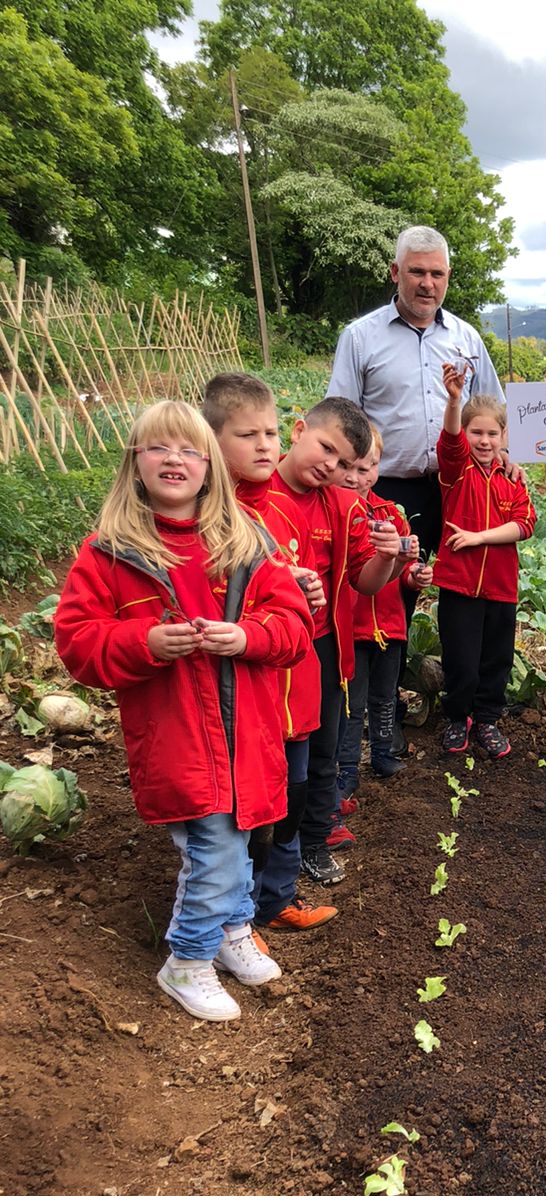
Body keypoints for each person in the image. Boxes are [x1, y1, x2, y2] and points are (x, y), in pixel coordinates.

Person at [54, 400, 313, 1022]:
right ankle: (188, 959)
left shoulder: (244, 541)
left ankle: (232, 932)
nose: (174, 459)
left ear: (209, 467)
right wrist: (143, 642)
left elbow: (294, 626)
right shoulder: (109, 553)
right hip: (177, 736)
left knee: (242, 832)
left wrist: (247, 636)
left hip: (246, 729)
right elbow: (77, 641)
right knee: (216, 850)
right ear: (134, 463)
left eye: (189, 450)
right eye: (158, 448)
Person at [328, 225, 503, 751]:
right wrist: (348, 488)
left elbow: (489, 407)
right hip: (387, 491)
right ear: (395, 274)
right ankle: (379, 710)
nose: (427, 284)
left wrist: (506, 461)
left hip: (455, 491)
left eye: (437, 274)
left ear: (447, 277)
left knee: (461, 597)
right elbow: (342, 417)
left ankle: (459, 704)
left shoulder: (466, 338)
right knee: (384, 597)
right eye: (417, 272)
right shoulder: (361, 336)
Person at [202, 371, 337, 935]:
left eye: (271, 432)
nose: (264, 446)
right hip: (244, 696)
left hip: (295, 688)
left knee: (292, 796)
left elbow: (305, 603)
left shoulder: (283, 511)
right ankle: (237, 916)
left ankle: (276, 899)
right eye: (247, 434)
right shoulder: (208, 519)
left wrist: (309, 591)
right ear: (212, 440)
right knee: (243, 811)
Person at [272, 397, 402, 888]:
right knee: (278, 751)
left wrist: (388, 558)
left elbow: (365, 582)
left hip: (323, 644)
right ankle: (269, 850)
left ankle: (312, 839)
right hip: (265, 648)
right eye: (327, 450)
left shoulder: (343, 504)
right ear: (298, 430)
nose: (334, 468)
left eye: (347, 464)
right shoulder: (251, 494)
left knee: (324, 747)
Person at [433, 362, 535, 759]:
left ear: (505, 436)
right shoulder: (455, 472)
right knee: (461, 657)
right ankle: (458, 718)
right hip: (458, 583)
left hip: (501, 585)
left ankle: (488, 719)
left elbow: (524, 524)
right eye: (477, 432)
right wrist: (455, 400)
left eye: (493, 433)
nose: (484, 440)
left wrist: (478, 537)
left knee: (497, 657)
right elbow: (450, 441)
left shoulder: (513, 479)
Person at [333, 429, 432, 810]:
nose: (358, 477)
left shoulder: (391, 513)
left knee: (384, 695)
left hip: (390, 624)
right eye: (351, 468)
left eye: (369, 467)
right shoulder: (336, 513)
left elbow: (404, 572)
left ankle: (383, 753)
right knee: (352, 702)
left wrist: (414, 574)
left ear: (378, 466)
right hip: (353, 627)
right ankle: (346, 769)